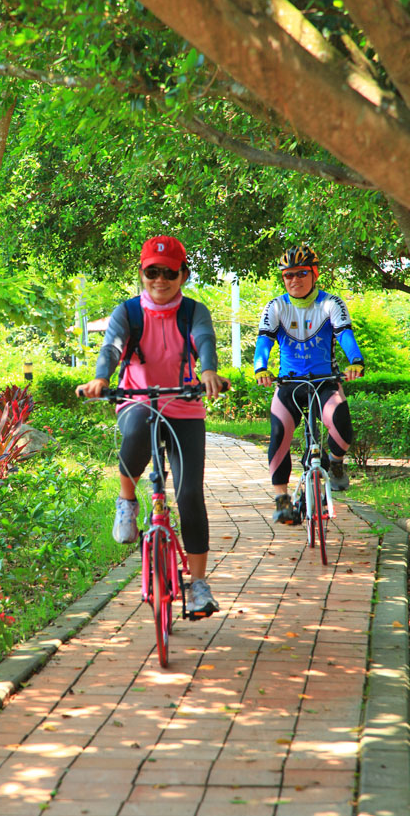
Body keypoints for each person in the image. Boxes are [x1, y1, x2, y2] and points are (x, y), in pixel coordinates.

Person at [76, 235, 230, 615]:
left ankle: (198, 585)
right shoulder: (127, 312)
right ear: (142, 273)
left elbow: (204, 341)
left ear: (182, 274)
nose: (160, 280)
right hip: (137, 400)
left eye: (169, 272)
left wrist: (208, 372)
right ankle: (127, 499)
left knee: (190, 494)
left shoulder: (194, 311)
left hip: (185, 405)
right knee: (137, 427)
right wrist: (100, 378)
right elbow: (112, 346)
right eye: (151, 272)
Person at [254, 244, 364, 523]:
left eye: (301, 273)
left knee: (340, 426)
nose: (294, 279)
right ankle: (281, 498)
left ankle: (336, 466)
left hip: (325, 381)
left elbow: (345, 335)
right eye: (288, 275)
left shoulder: (331, 303)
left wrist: (356, 361)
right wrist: (261, 368)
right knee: (279, 434)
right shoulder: (276, 306)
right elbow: (264, 341)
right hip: (289, 384)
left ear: (314, 274)